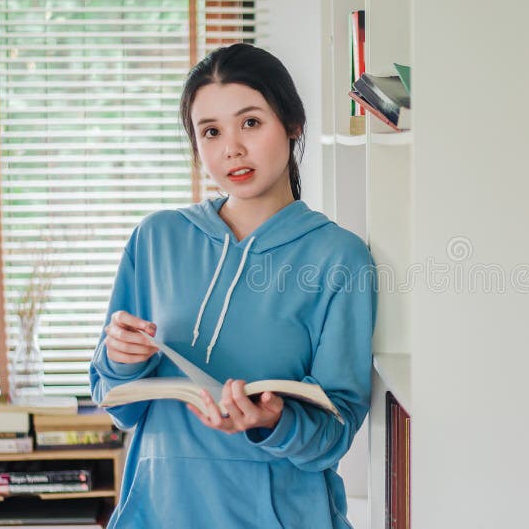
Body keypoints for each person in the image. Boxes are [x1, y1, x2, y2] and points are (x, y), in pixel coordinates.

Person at [89, 43, 377, 528]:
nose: (232, 150)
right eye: (211, 132)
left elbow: (336, 432)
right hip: (159, 513)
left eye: (250, 123)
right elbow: (116, 403)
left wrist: (271, 422)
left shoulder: (339, 257)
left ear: (292, 124)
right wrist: (119, 360)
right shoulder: (155, 238)